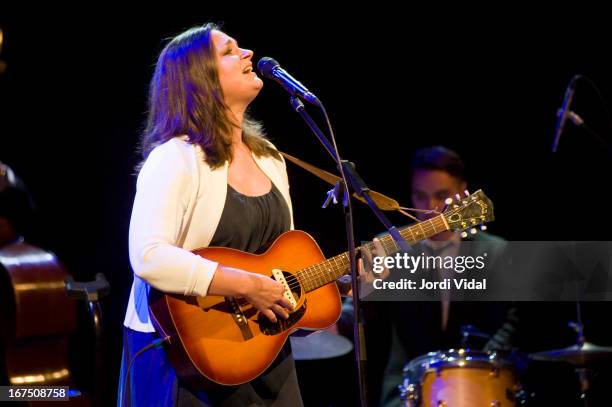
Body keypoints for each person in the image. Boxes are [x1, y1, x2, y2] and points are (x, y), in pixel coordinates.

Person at [118, 23, 303, 406]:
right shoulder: (174, 158)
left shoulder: (270, 158)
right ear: (200, 79)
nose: (248, 54)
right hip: (186, 352)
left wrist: (328, 286)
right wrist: (246, 285)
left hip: (262, 349)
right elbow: (149, 257)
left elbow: (280, 263)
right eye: (230, 51)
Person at [376, 146, 515, 407]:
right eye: (420, 196)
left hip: (480, 383)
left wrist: (473, 367)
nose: (430, 209)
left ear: (463, 193)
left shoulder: (495, 250)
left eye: (441, 196)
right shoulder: (388, 246)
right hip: (405, 389)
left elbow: (509, 321)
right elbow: (361, 310)